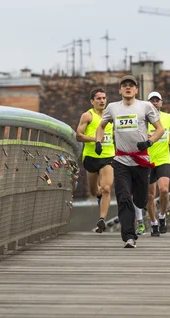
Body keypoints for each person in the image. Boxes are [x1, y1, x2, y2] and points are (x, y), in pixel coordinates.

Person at [95, 75, 165, 248]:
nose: (128, 88)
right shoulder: (112, 108)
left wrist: (149, 142)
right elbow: (101, 126)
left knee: (140, 200)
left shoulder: (145, 106)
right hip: (120, 161)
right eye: (124, 85)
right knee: (124, 197)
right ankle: (129, 236)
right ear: (120, 90)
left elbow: (160, 129)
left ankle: (139, 204)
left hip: (140, 160)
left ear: (136, 90)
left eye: (131, 86)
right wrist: (98, 141)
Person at [76, 88, 114, 233]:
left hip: (108, 156)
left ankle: (102, 219)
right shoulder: (87, 116)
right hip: (91, 157)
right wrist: (95, 139)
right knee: (94, 191)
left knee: (106, 188)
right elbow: (78, 135)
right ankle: (99, 196)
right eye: (98, 98)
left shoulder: (111, 115)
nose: (102, 101)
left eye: (104, 98)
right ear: (92, 101)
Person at [145, 91, 170, 236]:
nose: (154, 103)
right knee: (150, 195)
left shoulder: (168, 117)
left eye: (157, 100)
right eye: (152, 100)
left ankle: (162, 215)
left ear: (161, 103)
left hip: (163, 158)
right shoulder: (143, 120)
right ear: (148, 103)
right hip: (147, 160)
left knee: (164, 190)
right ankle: (153, 223)